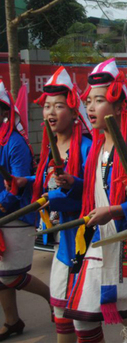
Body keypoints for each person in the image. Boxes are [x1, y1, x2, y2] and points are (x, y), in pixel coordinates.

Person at [64, 58, 127, 343]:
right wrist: (74, 184)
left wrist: (118, 209)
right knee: (82, 318)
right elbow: (96, 192)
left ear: (120, 106)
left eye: (99, 101)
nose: (90, 108)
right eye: (88, 101)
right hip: (101, 242)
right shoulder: (97, 146)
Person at [24, 67, 92, 342]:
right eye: (47, 106)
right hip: (60, 243)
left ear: (75, 112)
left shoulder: (87, 148)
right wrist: (26, 181)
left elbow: (93, 193)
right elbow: (46, 182)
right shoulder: (48, 147)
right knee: (62, 315)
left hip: (83, 244)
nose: (51, 111)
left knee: (84, 321)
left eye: (59, 105)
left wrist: (67, 187)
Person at [0, 80, 50, 341]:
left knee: (10, 276)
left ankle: (52, 296)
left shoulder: (14, 142)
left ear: (3, 111)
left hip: (16, 215)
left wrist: (2, 203)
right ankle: (13, 321)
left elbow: (16, 185)